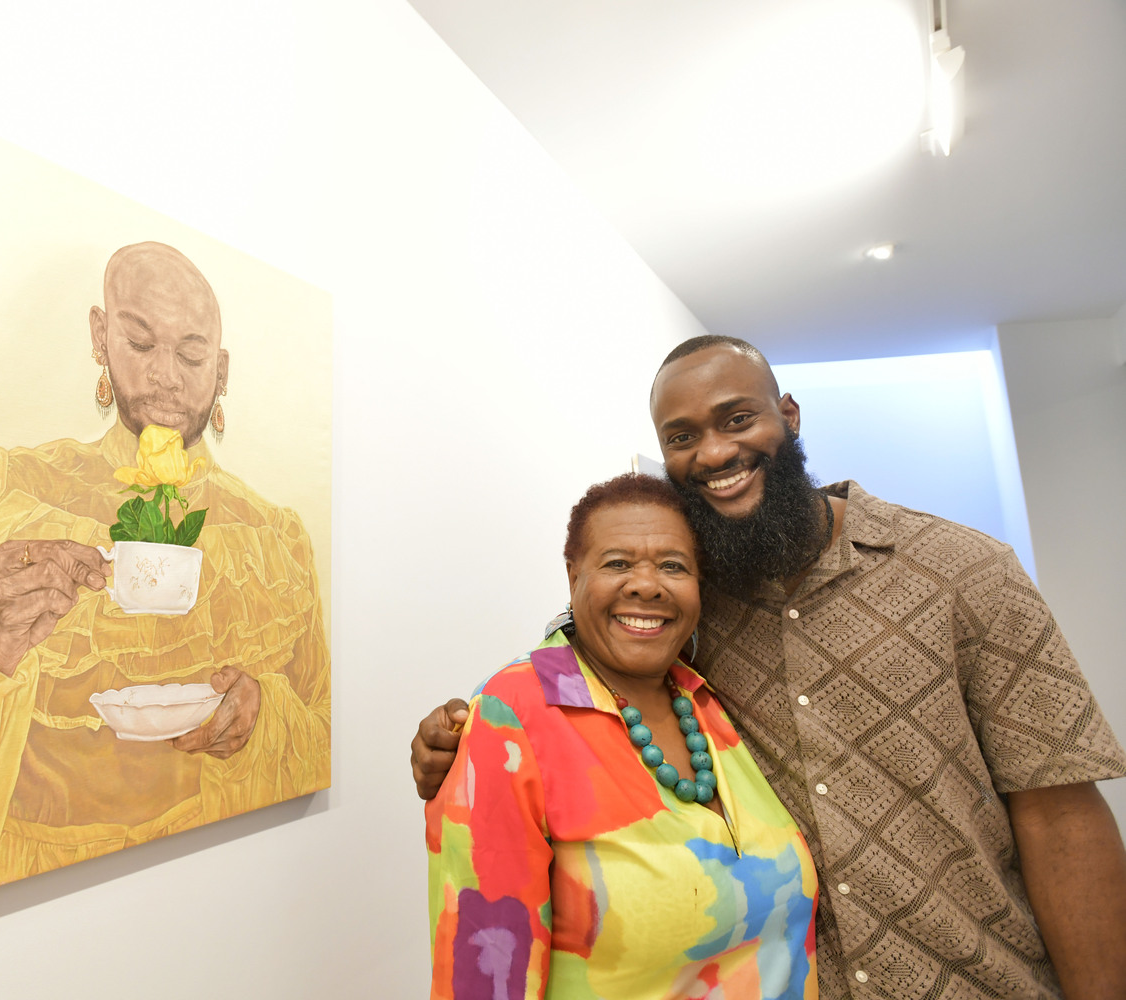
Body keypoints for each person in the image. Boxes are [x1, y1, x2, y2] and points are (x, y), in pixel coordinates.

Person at [415, 336, 1126, 999]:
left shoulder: (966, 570)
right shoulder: (694, 600)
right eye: (683, 437)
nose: (715, 452)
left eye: (738, 418)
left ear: (786, 416)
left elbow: (1061, 815)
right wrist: (468, 733)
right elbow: (593, 643)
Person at [0, 242, 330, 935]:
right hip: (2, 904)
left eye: (191, 355)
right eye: (140, 342)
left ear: (222, 370)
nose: (164, 379)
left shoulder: (274, 539)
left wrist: (262, 715)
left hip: (214, 891)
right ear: (100, 336)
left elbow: (323, 730)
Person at [429, 472, 818, 999]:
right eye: (617, 563)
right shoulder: (512, 717)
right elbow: (484, 977)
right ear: (573, 576)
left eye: (673, 566)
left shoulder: (708, 699)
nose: (646, 584)